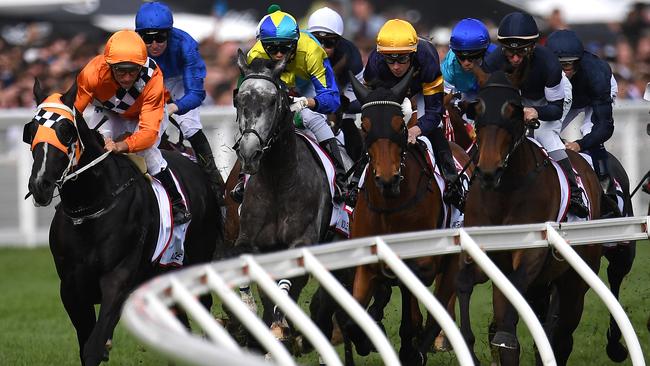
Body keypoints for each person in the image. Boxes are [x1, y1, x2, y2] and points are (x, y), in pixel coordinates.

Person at [74, 30, 191, 224]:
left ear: (142, 65)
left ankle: (177, 202)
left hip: (146, 115)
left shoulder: (153, 78)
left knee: (147, 151)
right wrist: (100, 139)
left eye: (133, 70)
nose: (127, 77)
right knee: (92, 146)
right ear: (109, 65)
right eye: (121, 70)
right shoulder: (92, 72)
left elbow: (147, 135)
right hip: (109, 111)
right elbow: (74, 113)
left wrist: (119, 146)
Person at [230, 5, 343, 203]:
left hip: (306, 88)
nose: (279, 54)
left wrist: (308, 101)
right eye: (272, 48)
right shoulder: (256, 55)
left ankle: (341, 178)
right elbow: (244, 95)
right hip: (276, 87)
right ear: (263, 45)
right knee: (255, 123)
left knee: (310, 116)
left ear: (296, 43)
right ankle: (243, 176)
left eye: (285, 48)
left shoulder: (312, 51)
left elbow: (333, 99)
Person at [482, 12, 589, 218]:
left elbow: (555, 109)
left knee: (545, 136)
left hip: (551, 99)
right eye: (509, 52)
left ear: (532, 46)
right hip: (519, 96)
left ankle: (575, 193)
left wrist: (536, 111)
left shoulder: (549, 64)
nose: (514, 58)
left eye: (520, 52)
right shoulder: (494, 62)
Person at [363, 19, 464, 211]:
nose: (396, 66)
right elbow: (374, 110)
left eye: (402, 59)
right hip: (389, 93)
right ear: (381, 55)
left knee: (435, 129)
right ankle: (354, 181)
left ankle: (453, 181)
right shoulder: (375, 62)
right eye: (390, 59)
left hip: (420, 91)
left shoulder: (427, 56)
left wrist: (416, 130)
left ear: (413, 53)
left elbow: (435, 112)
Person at [135, 1, 226, 205]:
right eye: (147, 38)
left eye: (160, 37)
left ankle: (214, 183)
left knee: (189, 125)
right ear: (138, 36)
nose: (154, 44)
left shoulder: (186, 44)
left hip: (177, 80)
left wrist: (173, 107)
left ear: (170, 33)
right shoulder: (131, 48)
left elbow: (196, 93)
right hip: (147, 79)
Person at [545, 29, 619, 203]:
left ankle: (607, 191)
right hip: (564, 98)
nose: (563, 72)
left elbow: (604, 126)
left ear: (578, 62)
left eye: (567, 65)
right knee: (544, 134)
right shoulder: (541, 67)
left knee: (590, 131)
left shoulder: (596, 73)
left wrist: (580, 144)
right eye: (558, 66)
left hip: (590, 97)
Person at [307, 6, 364, 163]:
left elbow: (359, 91)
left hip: (343, 93)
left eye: (329, 43)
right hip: (310, 93)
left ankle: (357, 168)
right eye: (317, 41)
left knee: (348, 124)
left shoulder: (350, 54)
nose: (322, 48)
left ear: (338, 42)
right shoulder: (298, 50)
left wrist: (342, 105)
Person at [442, 18, 497, 101]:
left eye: (472, 57)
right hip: (464, 96)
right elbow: (444, 102)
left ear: (484, 51)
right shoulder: (449, 64)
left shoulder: (496, 57)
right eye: (461, 57)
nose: (466, 63)